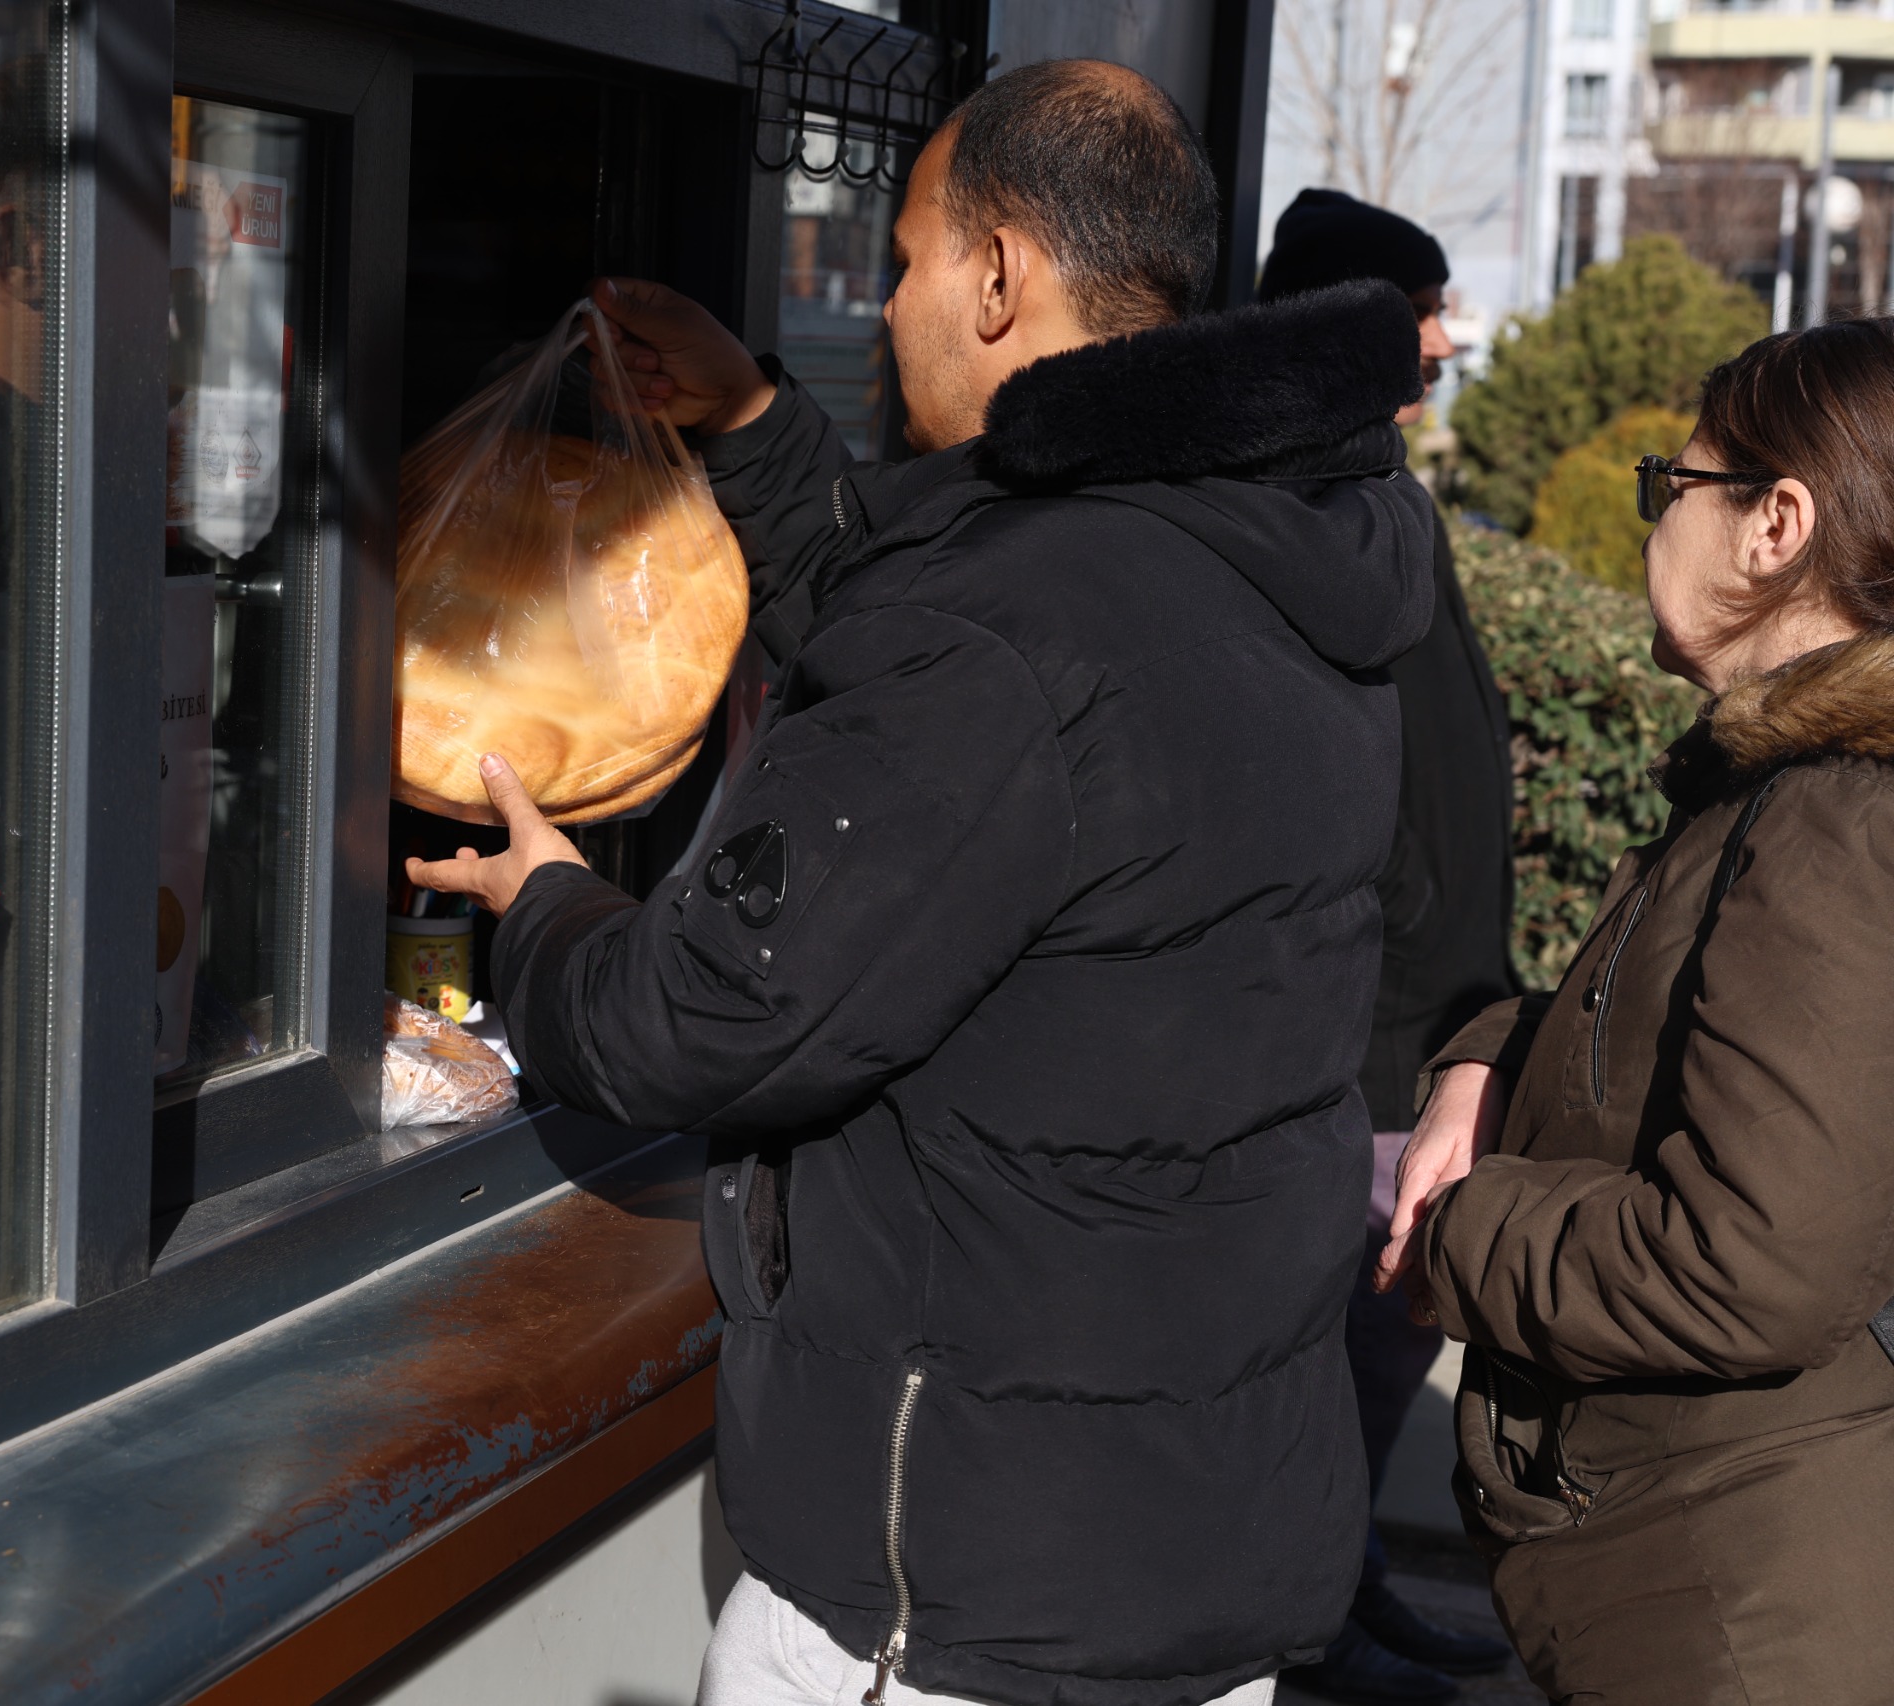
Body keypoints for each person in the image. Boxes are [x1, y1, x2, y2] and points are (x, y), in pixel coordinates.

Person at [413, 61, 1436, 1706]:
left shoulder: (1015, 628)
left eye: (900, 259)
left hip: (958, 1615)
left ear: (1002, 276)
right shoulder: (1273, 544)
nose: (882, 303)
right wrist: (750, 420)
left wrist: (544, 907)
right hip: (1192, 1564)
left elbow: (696, 1015)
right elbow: (962, 718)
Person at [1378, 318, 1894, 1704]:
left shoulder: (1839, 819)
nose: (1654, 511)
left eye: (1679, 480)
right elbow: (1663, 1031)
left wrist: (1457, 1226)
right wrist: (1485, 1060)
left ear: (1777, 522)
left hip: (1747, 1612)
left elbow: (1749, 1260)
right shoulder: (1775, 787)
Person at [1257, 191, 1517, 1706]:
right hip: (1369, 1031)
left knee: (1379, 1339)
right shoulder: (1307, 492)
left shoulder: (1383, 478)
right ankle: (1315, 1625)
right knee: (1343, 1346)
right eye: (1416, 303)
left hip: (1433, 1016)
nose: (1439, 333)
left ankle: (1345, 1583)